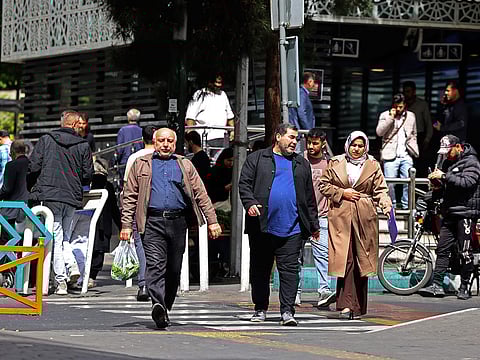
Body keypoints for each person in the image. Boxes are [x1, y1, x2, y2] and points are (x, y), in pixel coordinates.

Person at [120, 127, 221, 329]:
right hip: (152, 222)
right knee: (155, 265)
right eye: (161, 140)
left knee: (174, 269)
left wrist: (213, 220)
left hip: (178, 222)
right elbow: (129, 196)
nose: (165, 144)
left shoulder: (184, 164)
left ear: (175, 144)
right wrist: (126, 225)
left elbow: (201, 193)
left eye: (170, 141)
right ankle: (157, 302)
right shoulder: (141, 164)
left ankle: (164, 307)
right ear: (154, 143)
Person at [238, 123, 320, 326]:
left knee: (290, 271)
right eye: (291, 137)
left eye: (296, 139)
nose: (294, 142)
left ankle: (287, 311)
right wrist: (250, 203)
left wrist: (313, 224)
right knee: (260, 269)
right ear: (278, 137)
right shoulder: (257, 159)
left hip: (293, 228)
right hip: (262, 226)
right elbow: (244, 185)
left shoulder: (302, 164)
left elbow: (309, 197)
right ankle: (260, 308)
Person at [319, 131, 392, 319]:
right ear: (348, 145)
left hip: (365, 216)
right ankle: (345, 305)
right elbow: (323, 185)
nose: (357, 149)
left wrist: (385, 204)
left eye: (360, 146)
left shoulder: (373, 165)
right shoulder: (335, 162)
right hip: (341, 217)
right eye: (354, 145)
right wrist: (343, 193)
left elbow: (380, 190)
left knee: (362, 261)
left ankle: (358, 307)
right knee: (347, 260)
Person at [27, 110, 93, 295]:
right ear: (74, 124)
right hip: (71, 196)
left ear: (63, 122)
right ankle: (70, 267)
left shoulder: (46, 139)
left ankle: (61, 280)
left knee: (56, 237)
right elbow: (88, 174)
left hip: (49, 194)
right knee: (63, 236)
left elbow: (34, 166)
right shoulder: (83, 145)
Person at [418, 135, 480, 300]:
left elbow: (468, 182)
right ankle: (436, 285)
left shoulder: (472, 162)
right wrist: (433, 191)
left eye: (449, 151)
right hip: (449, 212)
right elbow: (445, 187)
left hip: (466, 213)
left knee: (465, 252)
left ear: (458, 147)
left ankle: (465, 286)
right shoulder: (447, 162)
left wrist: (444, 176)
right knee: (442, 249)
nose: (447, 155)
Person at [295, 128, 335, 308]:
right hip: (299, 216)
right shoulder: (298, 160)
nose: (311, 146)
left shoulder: (329, 164)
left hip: (322, 217)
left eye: (315, 143)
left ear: (323, 144)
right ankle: (294, 292)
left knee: (323, 255)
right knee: (295, 256)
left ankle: (324, 290)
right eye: (309, 143)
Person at [122, 125, 156, 301]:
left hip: (139, 209)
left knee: (141, 245)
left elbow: (128, 186)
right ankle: (157, 283)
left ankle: (143, 284)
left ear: (142, 139)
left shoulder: (134, 158)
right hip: (161, 208)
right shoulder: (164, 158)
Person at [376, 93, 419, 209]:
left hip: (406, 154)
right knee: (390, 183)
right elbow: (379, 132)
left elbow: (414, 133)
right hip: (390, 153)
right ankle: (392, 206)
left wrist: (413, 146)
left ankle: (407, 206)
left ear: (405, 105)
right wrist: (391, 118)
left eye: (401, 106)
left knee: (408, 182)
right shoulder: (385, 115)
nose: (398, 109)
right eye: (396, 106)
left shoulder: (411, 116)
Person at [88, 157, 121, 288]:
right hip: (104, 225)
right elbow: (114, 208)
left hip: (88, 222)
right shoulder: (108, 186)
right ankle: (91, 277)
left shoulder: (88, 183)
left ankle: (84, 276)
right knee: (98, 253)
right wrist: (121, 225)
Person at [185, 75, 235, 149]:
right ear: (210, 82)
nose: (218, 85)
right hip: (204, 138)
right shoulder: (199, 94)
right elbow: (190, 118)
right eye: (216, 82)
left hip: (222, 138)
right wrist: (192, 137)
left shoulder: (223, 94)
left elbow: (229, 115)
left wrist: (232, 131)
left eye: (220, 83)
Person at [403, 81, 433, 178]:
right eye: (405, 91)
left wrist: (427, 139)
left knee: (419, 165)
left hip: (419, 136)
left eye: (408, 91)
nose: (406, 94)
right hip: (404, 137)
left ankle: (418, 188)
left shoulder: (422, 104)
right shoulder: (401, 105)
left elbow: (428, 123)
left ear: (414, 91)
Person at [0, 140, 29, 244]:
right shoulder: (32, 164)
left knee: (7, 240)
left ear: (12, 151)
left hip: (11, 210)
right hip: (29, 208)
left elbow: (7, 188)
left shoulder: (11, 165)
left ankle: (7, 259)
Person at [116, 108, 144, 183]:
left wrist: (117, 160)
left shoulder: (122, 130)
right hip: (139, 161)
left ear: (128, 118)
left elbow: (119, 149)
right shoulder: (141, 130)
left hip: (125, 161)